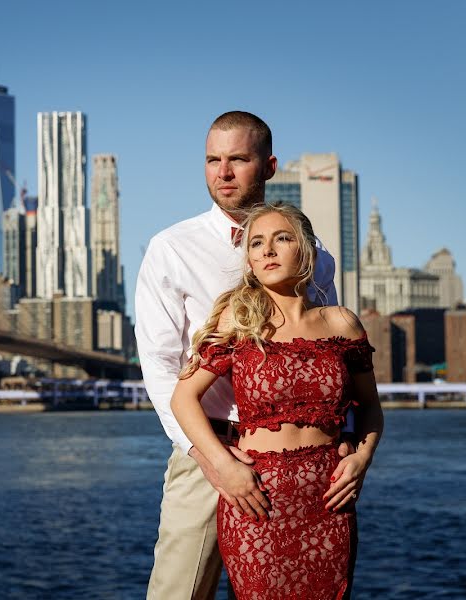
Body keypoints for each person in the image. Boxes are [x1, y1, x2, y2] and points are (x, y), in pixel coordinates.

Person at [135, 111, 345, 599]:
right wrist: (210, 459)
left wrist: (351, 447)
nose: (222, 173)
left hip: (304, 462)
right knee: (178, 592)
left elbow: (330, 356)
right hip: (212, 452)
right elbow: (160, 369)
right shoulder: (171, 249)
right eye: (212, 160)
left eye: (237, 159)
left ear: (269, 166)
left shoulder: (315, 254)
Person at [170, 202, 384, 598]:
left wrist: (361, 458)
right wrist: (222, 464)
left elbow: (369, 407)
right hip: (257, 500)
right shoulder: (241, 319)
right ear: (248, 261)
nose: (267, 250)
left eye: (281, 238)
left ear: (306, 250)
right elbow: (184, 398)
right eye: (256, 243)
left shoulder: (343, 322)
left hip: (328, 502)